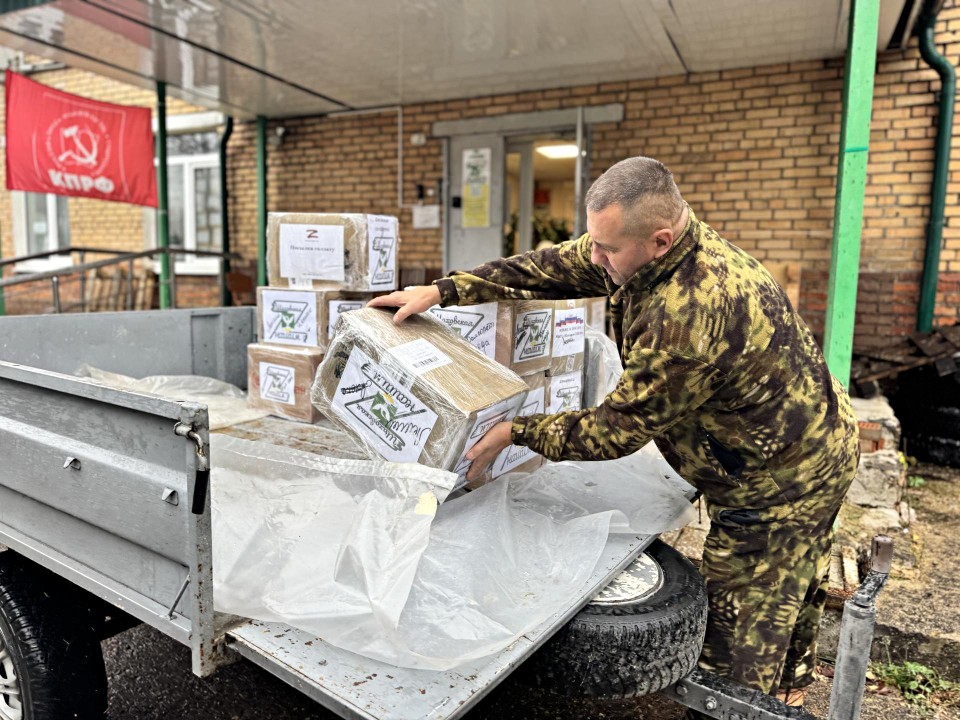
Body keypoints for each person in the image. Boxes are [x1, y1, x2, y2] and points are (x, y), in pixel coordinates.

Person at [368, 156, 859, 712]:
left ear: (660, 239)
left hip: (780, 478)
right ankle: (792, 681)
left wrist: (513, 430)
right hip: (800, 434)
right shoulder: (644, 248)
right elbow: (548, 267)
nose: (595, 259)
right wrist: (443, 291)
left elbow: (616, 430)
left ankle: (754, 697)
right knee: (792, 577)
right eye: (594, 242)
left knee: (739, 632)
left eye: (607, 250)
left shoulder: (691, 311)